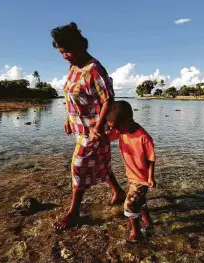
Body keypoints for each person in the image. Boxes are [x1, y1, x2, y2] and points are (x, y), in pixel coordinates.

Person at [51, 22, 125, 230]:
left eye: (65, 51)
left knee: (79, 166)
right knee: (99, 161)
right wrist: (67, 118)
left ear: (77, 46)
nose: (64, 56)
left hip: (94, 129)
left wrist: (99, 127)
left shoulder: (94, 69)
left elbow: (109, 99)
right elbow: (68, 94)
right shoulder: (73, 67)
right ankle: (118, 192)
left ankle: (74, 213)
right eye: (61, 52)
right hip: (79, 126)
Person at [105, 100, 156, 242]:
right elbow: (109, 136)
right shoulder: (122, 131)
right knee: (140, 201)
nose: (116, 131)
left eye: (117, 128)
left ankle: (136, 233)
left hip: (142, 179)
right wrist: (100, 133)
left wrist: (151, 178)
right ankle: (149, 223)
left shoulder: (144, 138)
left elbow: (151, 159)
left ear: (127, 121)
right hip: (131, 177)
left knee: (129, 204)